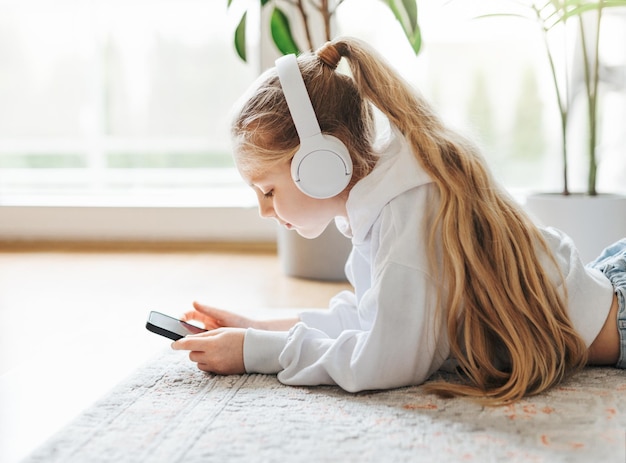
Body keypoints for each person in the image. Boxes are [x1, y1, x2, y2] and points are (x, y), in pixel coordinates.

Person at [172, 37, 624, 404]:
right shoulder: (385, 198)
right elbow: (371, 317)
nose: (264, 210)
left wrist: (255, 354)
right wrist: (254, 328)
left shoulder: (406, 211)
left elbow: (387, 359)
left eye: (267, 190)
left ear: (322, 161)